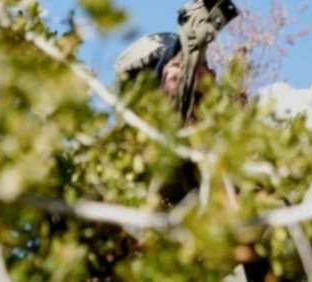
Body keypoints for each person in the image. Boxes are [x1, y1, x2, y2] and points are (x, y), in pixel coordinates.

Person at [115, 33, 276, 282]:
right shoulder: (121, 182)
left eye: (206, 68)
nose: (207, 77)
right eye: (180, 69)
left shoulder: (239, 163)